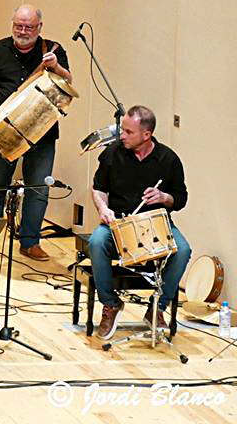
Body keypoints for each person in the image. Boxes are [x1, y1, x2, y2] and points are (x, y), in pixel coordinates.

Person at [0, 4, 72, 261]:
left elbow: (69, 82)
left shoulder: (53, 50)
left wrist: (56, 67)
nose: (23, 31)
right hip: (3, 131)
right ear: (12, 24)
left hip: (42, 132)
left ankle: (30, 242)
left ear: (39, 27)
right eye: (18, 26)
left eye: (29, 27)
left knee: (38, 188)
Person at [89, 105, 191, 340]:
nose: (122, 135)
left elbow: (181, 198)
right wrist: (103, 208)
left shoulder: (168, 159)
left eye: (128, 132)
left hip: (155, 224)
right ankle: (110, 304)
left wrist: (164, 198)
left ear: (147, 135)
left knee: (183, 249)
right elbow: (98, 189)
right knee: (96, 243)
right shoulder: (112, 154)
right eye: (122, 130)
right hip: (118, 223)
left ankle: (157, 307)